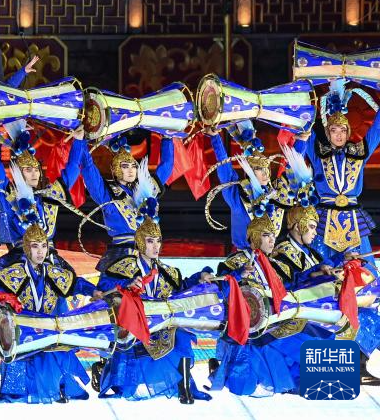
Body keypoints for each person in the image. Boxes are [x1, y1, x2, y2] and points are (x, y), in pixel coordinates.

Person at [96, 216, 214, 403]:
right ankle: (106, 372)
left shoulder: (168, 271)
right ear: (140, 242)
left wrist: (200, 277)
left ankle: (185, 388)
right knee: (124, 385)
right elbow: (103, 286)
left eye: (158, 241)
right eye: (150, 241)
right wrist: (126, 284)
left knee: (183, 335)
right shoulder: (124, 267)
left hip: (161, 324)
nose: (155, 246)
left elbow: (181, 288)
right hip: (135, 324)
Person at [0, 224, 98, 404]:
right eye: (35, 246)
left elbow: (76, 283)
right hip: (24, 329)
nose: (40, 251)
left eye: (44, 246)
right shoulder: (16, 273)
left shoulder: (52, 271)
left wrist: (94, 291)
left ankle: (58, 387)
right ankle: (15, 391)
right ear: (26, 248)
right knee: (19, 354)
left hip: (45, 328)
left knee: (55, 345)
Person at [210, 215, 322, 395]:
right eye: (266, 235)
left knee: (309, 342)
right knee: (243, 386)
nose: (272, 240)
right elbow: (220, 288)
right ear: (254, 237)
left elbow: (295, 284)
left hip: (274, 324)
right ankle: (220, 369)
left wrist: (321, 271)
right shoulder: (235, 261)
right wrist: (238, 275)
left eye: (273, 235)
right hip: (247, 329)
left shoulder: (278, 266)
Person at [272, 205, 380, 385]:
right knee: (356, 315)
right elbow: (289, 283)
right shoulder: (283, 252)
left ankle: (361, 364)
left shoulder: (309, 251)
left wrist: (341, 260)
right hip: (301, 309)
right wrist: (317, 273)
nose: (315, 233)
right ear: (298, 226)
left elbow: (320, 267)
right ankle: (358, 367)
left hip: (319, 302)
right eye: (312, 227)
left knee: (363, 312)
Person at [296, 79, 380, 274]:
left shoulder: (359, 152)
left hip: (353, 219)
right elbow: (304, 126)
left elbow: (376, 130)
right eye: (334, 130)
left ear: (348, 132)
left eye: (343, 130)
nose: (339, 135)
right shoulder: (318, 153)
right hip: (324, 219)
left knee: (362, 274)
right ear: (328, 132)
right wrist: (302, 98)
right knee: (321, 272)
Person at [0, 119, 86, 269]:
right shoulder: (11, 196)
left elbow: (73, 169)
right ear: (19, 172)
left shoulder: (49, 194)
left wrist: (78, 141)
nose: (34, 174)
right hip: (20, 260)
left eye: (36, 170)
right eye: (28, 170)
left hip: (50, 260)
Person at [77, 134, 176, 270]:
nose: (131, 170)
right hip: (121, 256)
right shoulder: (109, 194)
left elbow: (166, 166)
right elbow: (88, 168)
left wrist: (167, 138)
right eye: (125, 166)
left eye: (133, 166)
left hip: (148, 255)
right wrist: (80, 141)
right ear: (116, 169)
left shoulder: (146, 189)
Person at [206, 122, 290, 249]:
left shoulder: (276, 193)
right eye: (259, 169)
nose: (265, 173)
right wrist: (215, 138)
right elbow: (225, 169)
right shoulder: (238, 197)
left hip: (268, 255)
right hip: (244, 255)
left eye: (266, 168)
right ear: (249, 171)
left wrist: (302, 140)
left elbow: (292, 172)